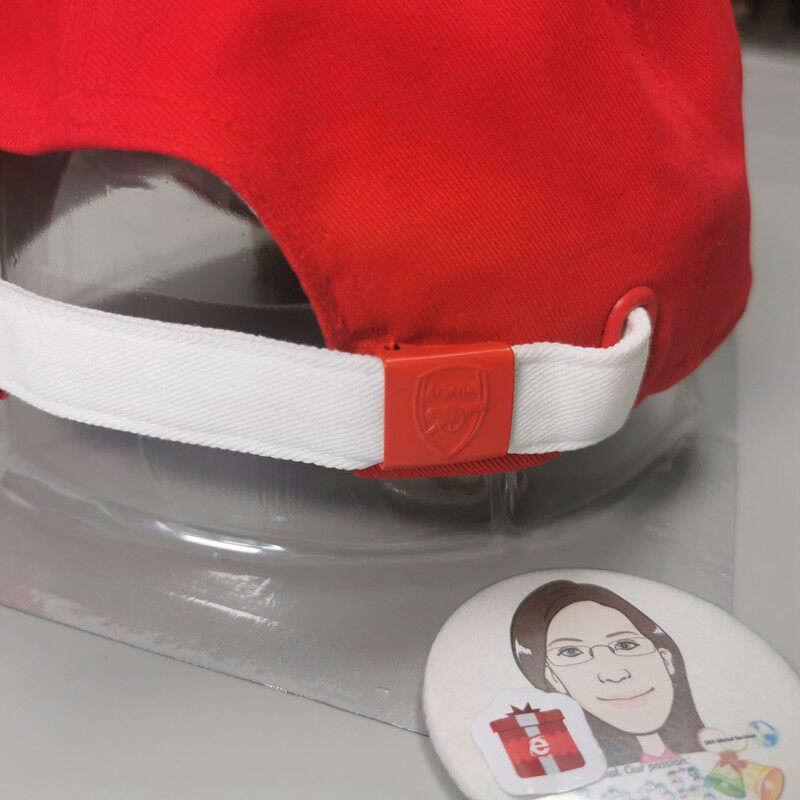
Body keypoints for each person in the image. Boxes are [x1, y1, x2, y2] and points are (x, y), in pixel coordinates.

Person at [510, 581, 704, 767]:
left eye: (625, 645)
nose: (614, 674)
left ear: (665, 658)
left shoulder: (715, 752)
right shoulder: (563, 768)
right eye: (571, 652)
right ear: (554, 678)